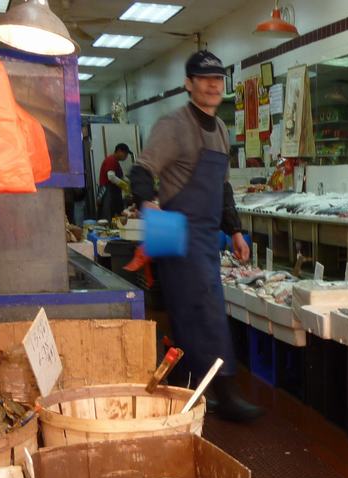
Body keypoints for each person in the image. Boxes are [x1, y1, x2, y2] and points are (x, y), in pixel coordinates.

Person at [130, 50, 261, 422]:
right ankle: (222, 394)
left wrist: (235, 231)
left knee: (198, 315)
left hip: (205, 237)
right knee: (203, 314)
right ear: (189, 84)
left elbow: (221, 189)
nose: (212, 85)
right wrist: (148, 203)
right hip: (175, 233)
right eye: (204, 78)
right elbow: (142, 170)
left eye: (218, 79)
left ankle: (195, 395)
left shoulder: (220, 130)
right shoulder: (173, 125)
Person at [98, 142, 132, 219]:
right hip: (108, 191)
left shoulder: (116, 162)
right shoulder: (111, 160)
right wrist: (124, 185)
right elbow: (111, 177)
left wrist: (129, 182)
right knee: (108, 215)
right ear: (119, 151)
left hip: (113, 192)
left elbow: (121, 177)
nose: (126, 157)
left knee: (114, 215)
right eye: (125, 154)